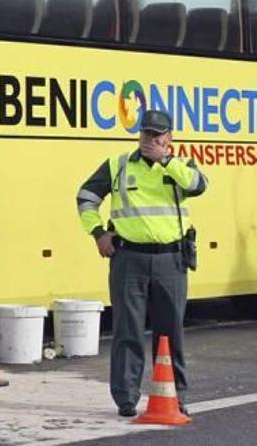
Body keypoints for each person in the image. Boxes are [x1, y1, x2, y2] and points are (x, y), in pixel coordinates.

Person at [76, 109, 207, 418]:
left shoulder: (180, 167)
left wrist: (166, 161)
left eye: (157, 135)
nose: (150, 140)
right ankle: (125, 398)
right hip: (128, 260)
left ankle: (175, 395)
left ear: (169, 138)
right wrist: (98, 233)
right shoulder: (118, 165)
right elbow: (85, 197)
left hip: (171, 260)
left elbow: (199, 185)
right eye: (146, 134)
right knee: (127, 330)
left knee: (171, 331)